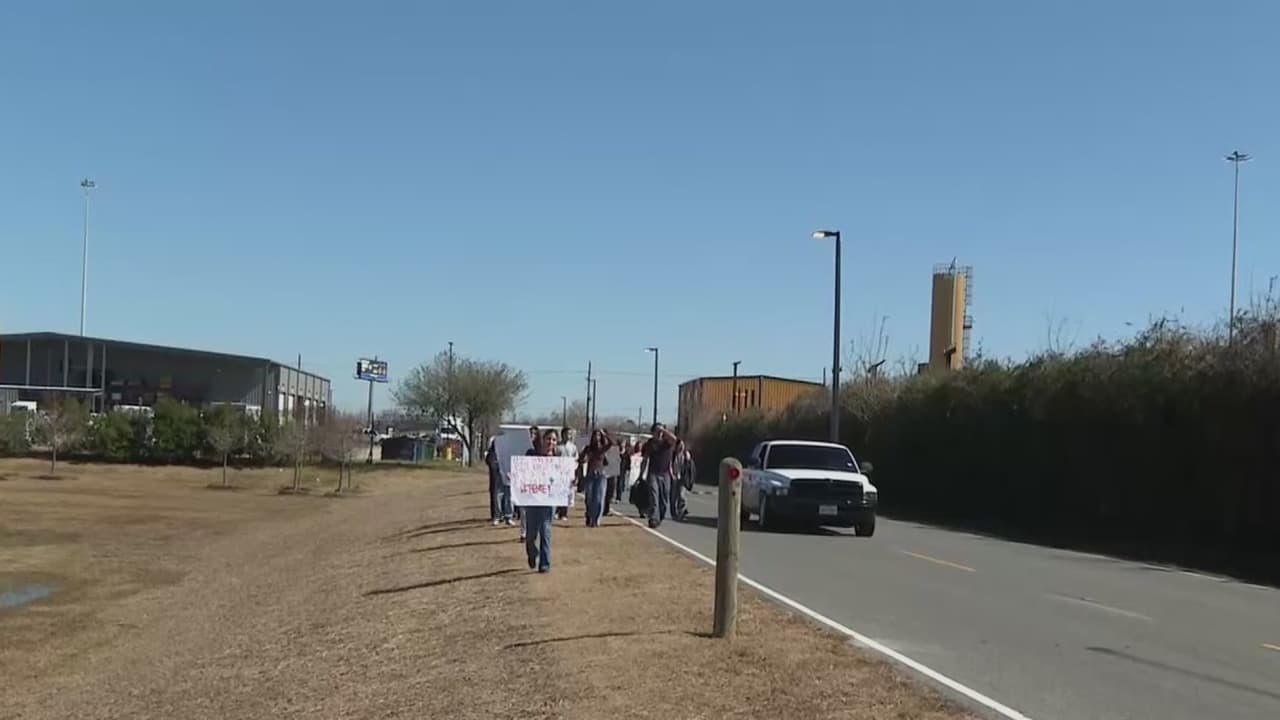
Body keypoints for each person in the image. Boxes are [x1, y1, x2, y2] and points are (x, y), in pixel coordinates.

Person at [523, 429, 560, 573]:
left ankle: (545, 564)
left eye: (554, 440)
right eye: (548, 439)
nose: (551, 442)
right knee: (531, 534)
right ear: (543, 440)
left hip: (549, 500)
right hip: (532, 500)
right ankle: (532, 554)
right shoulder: (531, 454)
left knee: (546, 531)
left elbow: (563, 478)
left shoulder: (559, 459)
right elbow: (523, 472)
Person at [639, 424, 679, 528]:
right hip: (653, 473)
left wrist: (664, 430)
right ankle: (653, 518)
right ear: (653, 433)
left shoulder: (667, 443)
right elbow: (645, 459)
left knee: (664, 499)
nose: (659, 433)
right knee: (654, 496)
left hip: (665, 474)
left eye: (661, 431)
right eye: (657, 431)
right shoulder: (649, 444)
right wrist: (641, 474)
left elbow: (675, 440)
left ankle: (659, 516)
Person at [577, 429, 613, 527]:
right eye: (595, 435)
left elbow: (610, 443)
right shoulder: (588, 448)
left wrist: (604, 434)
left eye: (598, 435)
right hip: (590, 474)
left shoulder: (602, 448)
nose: (596, 437)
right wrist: (582, 459)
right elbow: (580, 459)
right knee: (589, 498)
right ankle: (589, 515)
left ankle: (596, 520)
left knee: (599, 498)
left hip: (601, 475)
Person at [555, 427, 578, 520]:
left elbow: (576, 460)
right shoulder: (557, 446)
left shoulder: (573, 447)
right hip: (558, 472)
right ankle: (557, 510)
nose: (568, 436)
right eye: (566, 434)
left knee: (566, 492)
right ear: (562, 435)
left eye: (570, 434)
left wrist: (575, 472)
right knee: (557, 491)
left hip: (568, 472)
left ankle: (563, 513)